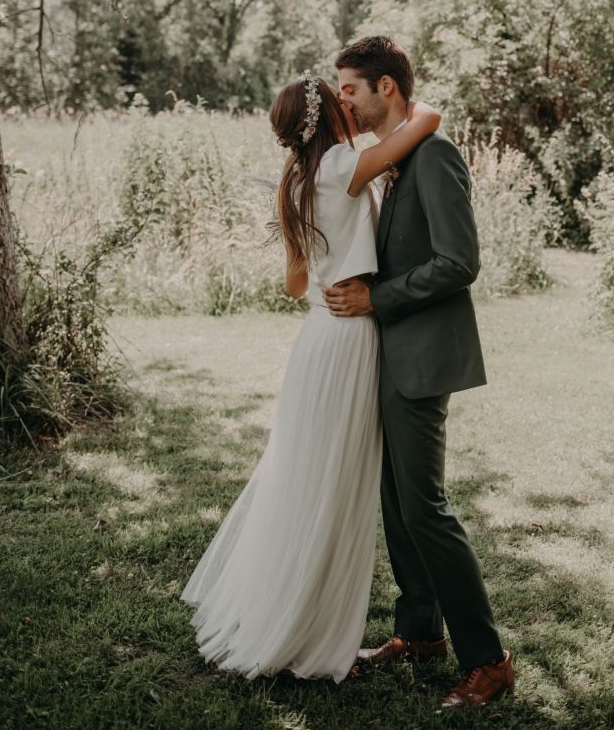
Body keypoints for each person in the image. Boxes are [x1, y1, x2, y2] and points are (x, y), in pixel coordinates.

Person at [180, 70, 442, 683]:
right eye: (341, 95)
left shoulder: (295, 178)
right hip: (349, 338)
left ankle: (295, 615)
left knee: (307, 480)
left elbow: (295, 283)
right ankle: (315, 640)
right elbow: (426, 119)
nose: (351, 101)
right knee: (336, 490)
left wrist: (328, 260)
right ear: (329, 114)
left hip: (317, 338)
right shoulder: (340, 166)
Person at [325, 35, 515, 711]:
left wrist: (378, 296)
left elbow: (460, 260)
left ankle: (488, 661)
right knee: (397, 504)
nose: (341, 97)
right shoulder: (396, 158)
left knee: (427, 509)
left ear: (388, 88)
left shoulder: (433, 155)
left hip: (422, 356)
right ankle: (419, 634)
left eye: (350, 86)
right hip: (388, 356)